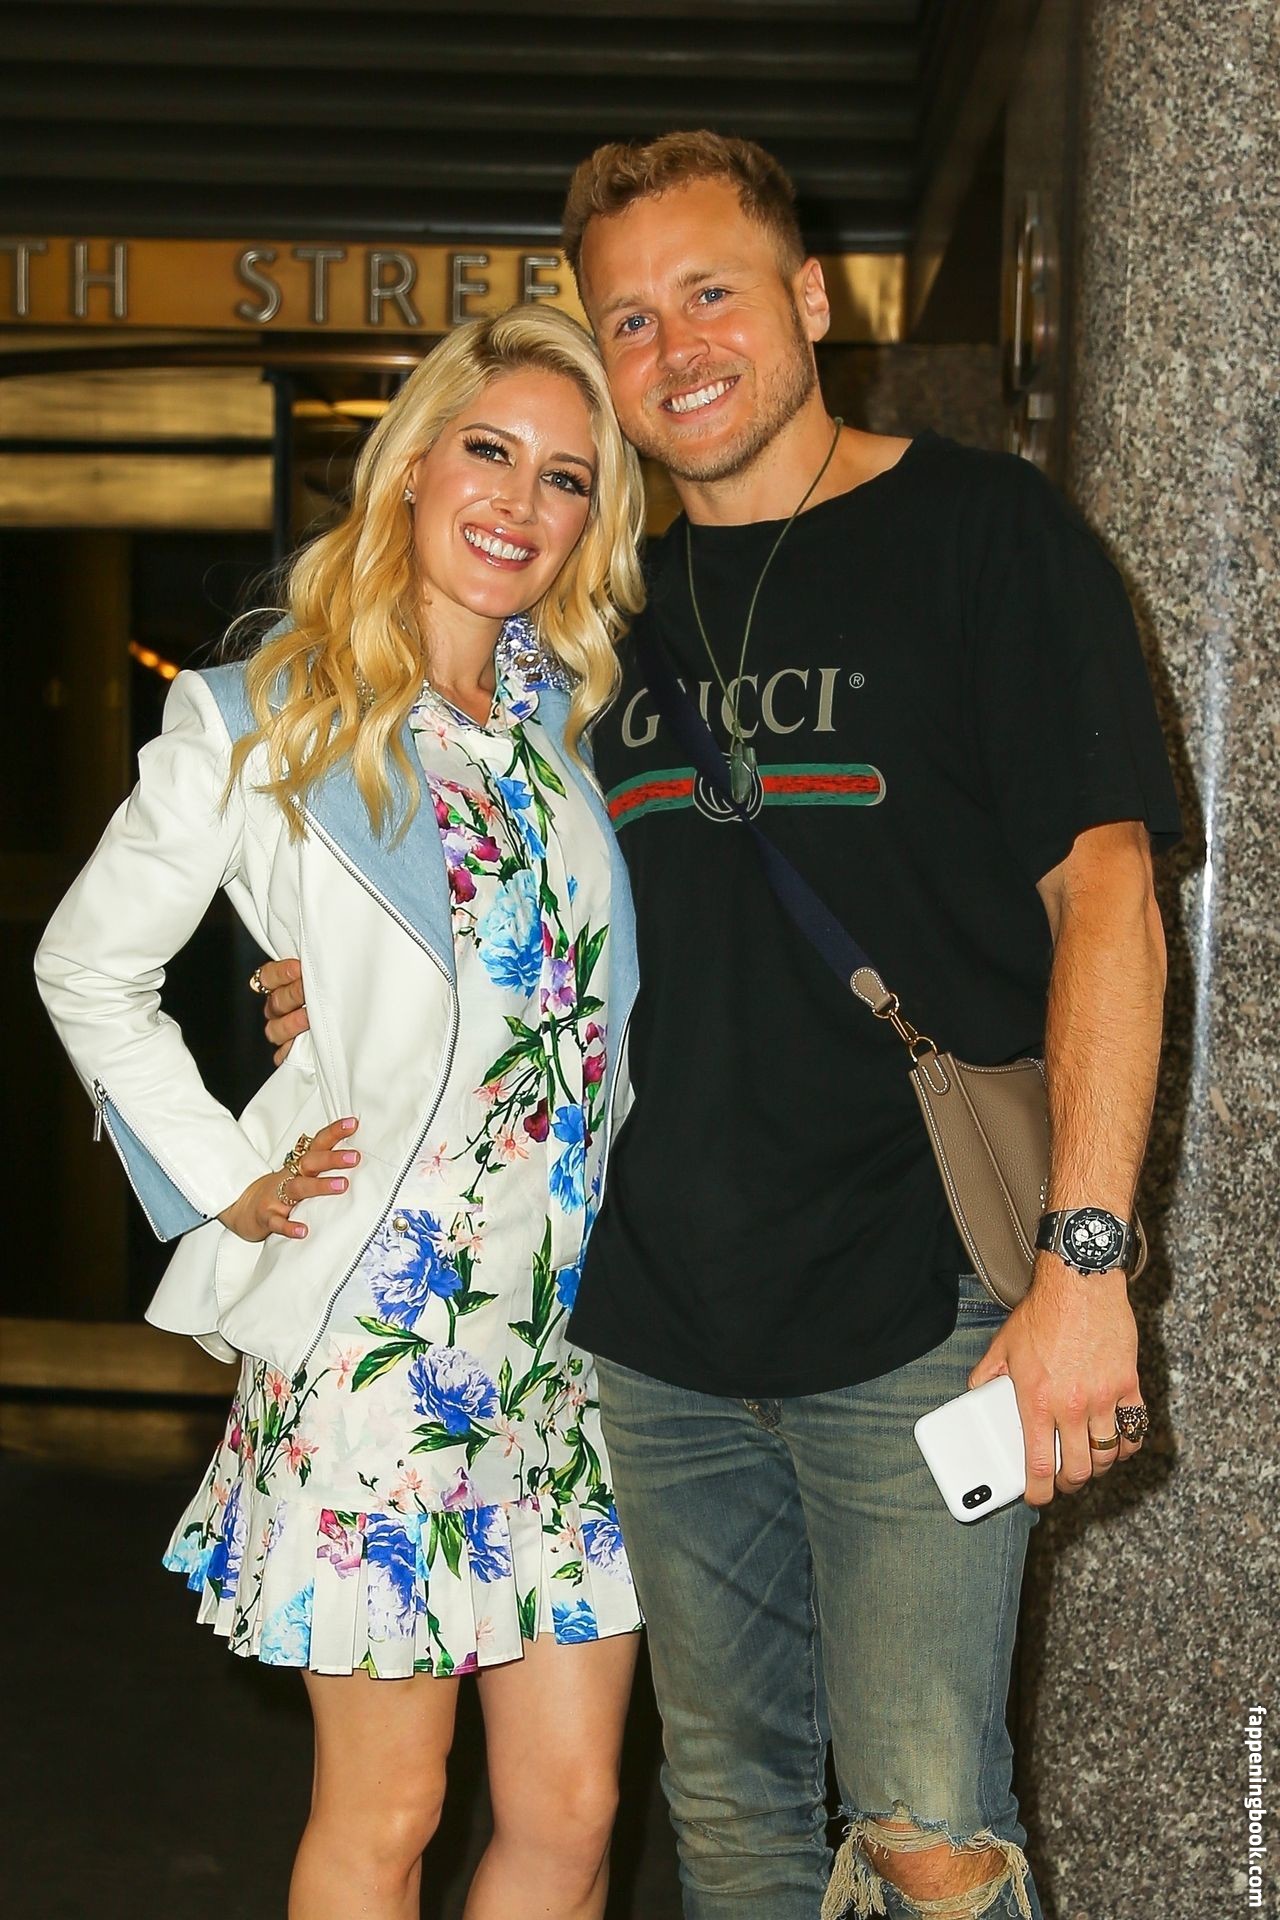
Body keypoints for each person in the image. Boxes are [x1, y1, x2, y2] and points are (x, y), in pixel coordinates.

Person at [257, 134, 1183, 1920]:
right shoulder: (592, 620)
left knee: (930, 1824)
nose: (674, 346)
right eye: (628, 319)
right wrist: (366, 976)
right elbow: (504, 894)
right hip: (649, 1336)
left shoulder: (987, 537)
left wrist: (1085, 1262)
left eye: (710, 293)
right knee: (735, 1829)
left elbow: (1110, 901)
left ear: (809, 300)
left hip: (923, 1313)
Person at [35, 305, 649, 1920]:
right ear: (414, 464)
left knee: (577, 1813)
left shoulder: (571, 728)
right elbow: (87, 965)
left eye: (568, 478)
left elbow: (566, 1000)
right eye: (491, 451)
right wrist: (219, 1176)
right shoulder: (264, 713)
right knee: (390, 1811)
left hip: (570, 1337)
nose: (521, 500)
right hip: (386, 1337)